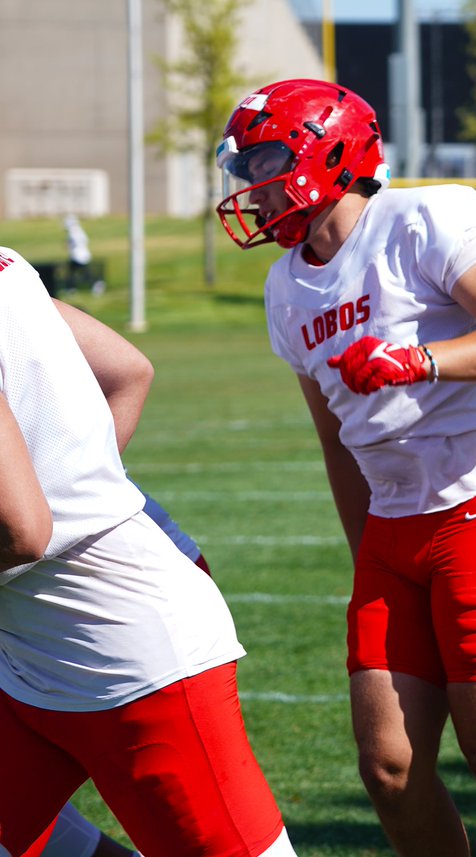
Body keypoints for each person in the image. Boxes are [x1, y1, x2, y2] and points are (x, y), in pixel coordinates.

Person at [215, 79, 476, 857]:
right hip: (391, 528)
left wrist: (420, 359)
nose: (252, 182)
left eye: (268, 158)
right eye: (245, 166)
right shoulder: (286, 286)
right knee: (390, 765)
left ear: (329, 151)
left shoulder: (420, 218)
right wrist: (365, 553)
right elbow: (336, 439)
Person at [0, 248, 298, 857]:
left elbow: (22, 529)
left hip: (123, 650)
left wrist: (70, 495)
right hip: (37, 642)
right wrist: (79, 480)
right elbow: (127, 370)